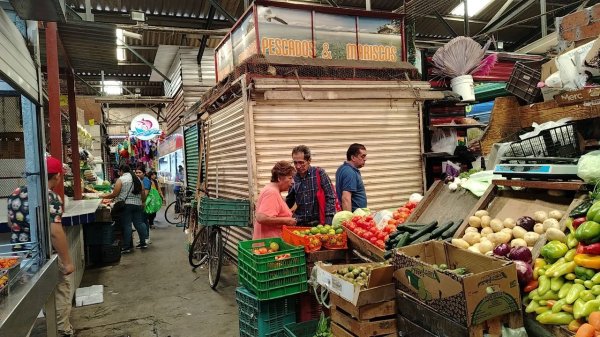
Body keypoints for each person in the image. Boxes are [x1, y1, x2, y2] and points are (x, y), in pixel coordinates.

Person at [7, 156, 75, 336]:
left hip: (20, 258)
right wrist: (67, 262)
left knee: (24, 302)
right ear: (57, 176)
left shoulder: (15, 193)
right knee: (60, 292)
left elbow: (10, 223)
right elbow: (55, 232)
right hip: (45, 256)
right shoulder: (50, 198)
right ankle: (62, 330)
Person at [101, 164, 148, 252]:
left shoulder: (121, 179)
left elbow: (114, 194)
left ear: (121, 171)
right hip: (137, 204)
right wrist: (143, 201)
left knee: (127, 225)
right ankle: (143, 243)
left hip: (126, 205)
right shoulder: (137, 179)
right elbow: (142, 192)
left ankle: (127, 247)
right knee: (139, 223)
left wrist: (102, 196)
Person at [285, 145, 337, 226]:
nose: (298, 166)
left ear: (309, 161)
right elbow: (289, 200)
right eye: (295, 162)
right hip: (300, 223)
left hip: (319, 223)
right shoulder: (293, 178)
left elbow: (330, 196)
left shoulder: (319, 173)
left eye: (301, 162)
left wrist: (328, 219)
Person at [253, 161, 297, 239]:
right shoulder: (272, 192)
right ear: (279, 178)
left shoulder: (272, 189)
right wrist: (287, 220)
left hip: (271, 244)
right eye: (290, 178)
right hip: (269, 245)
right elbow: (261, 218)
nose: (293, 182)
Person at [335, 143, 368, 212]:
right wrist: (349, 220)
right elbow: (346, 198)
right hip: (355, 216)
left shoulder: (342, 168)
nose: (365, 159)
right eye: (362, 156)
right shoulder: (350, 172)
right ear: (353, 157)